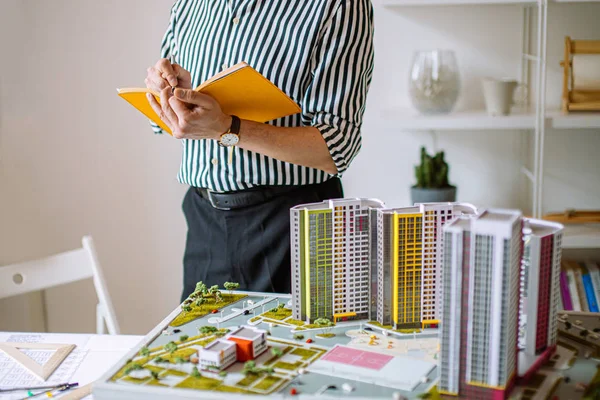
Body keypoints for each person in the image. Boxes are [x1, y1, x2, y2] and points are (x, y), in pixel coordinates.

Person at [144, 0, 374, 301]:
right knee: (198, 346)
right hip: (204, 222)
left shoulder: (338, 5)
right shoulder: (189, 4)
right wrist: (168, 94)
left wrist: (228, 129)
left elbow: (337, 145)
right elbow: (170, 120)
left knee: (300, 347)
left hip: (292, 227)